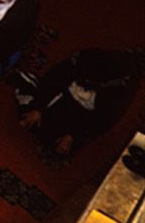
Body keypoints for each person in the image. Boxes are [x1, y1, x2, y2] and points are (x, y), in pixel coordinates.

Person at [15, 49, 143, 161]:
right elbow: (55, 79)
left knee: (60, 149)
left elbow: (100, 123)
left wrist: (73, 136)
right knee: (27, 115)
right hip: (62, 94)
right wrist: (38, 108)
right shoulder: (88, 59)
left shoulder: (120, 93)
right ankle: (30, 85)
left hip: (82, 115)